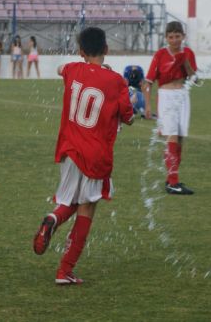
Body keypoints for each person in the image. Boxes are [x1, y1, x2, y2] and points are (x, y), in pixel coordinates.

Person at [32, 26, 134, 284]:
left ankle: (53, 218)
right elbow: (129, 117)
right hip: (96, 154)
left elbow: (60, 70)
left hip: (69, 150)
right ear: (107, 50)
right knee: (87, 207)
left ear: (80, 52)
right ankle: (64, 270)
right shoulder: (117, 82)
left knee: (69, 201)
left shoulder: (71, 70)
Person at [142, 21, 197, 195]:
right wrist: (148, 105)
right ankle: (173, 182)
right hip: (166, 96)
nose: (174, 40)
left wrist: (185, 62)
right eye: (171, 37)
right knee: (171, 136)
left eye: (177, 36)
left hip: (183, 96)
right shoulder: (160, 55)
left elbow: (195, 78)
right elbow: (148, 82)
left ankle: (171, 179)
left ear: (183, 37)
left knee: (179, 138)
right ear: (166, 38)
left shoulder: (188, 53)